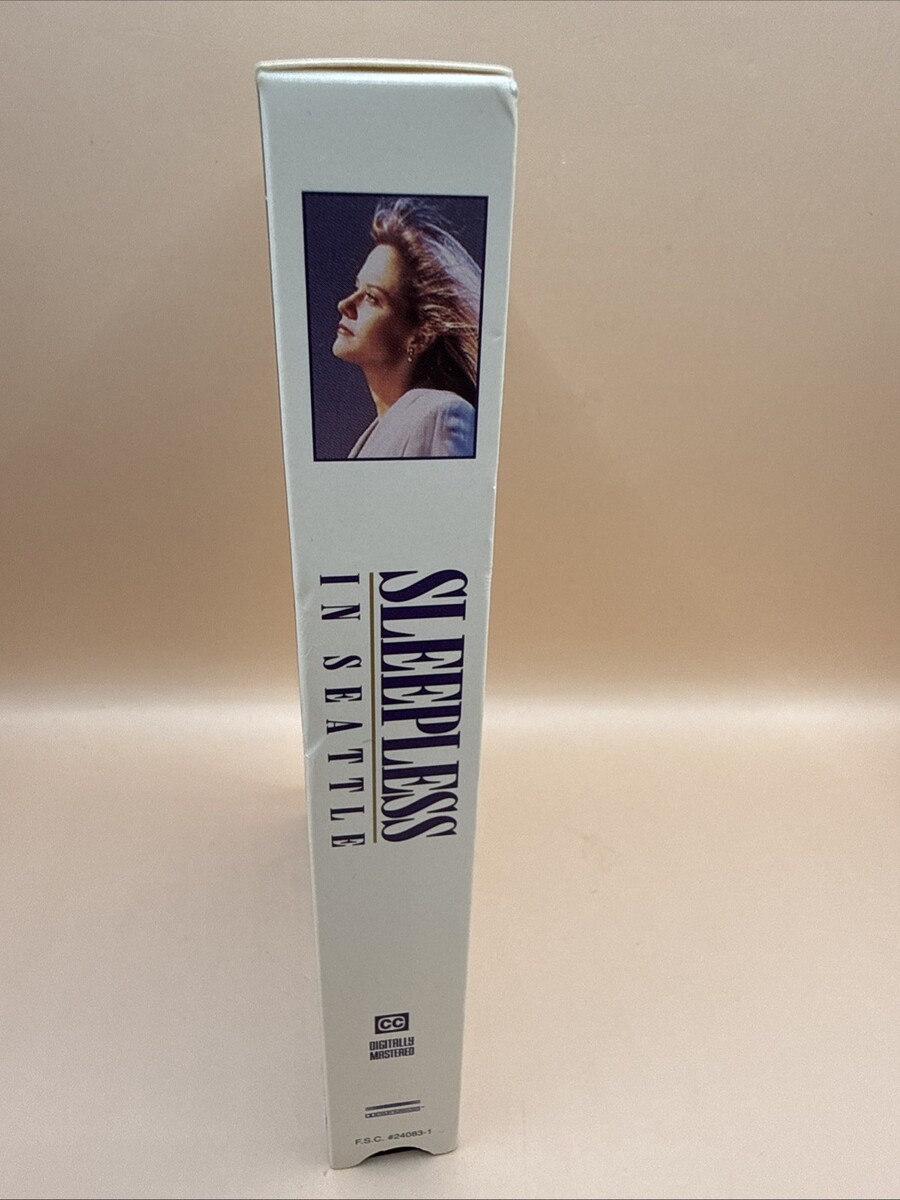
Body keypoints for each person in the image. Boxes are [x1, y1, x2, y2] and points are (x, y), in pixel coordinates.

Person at [332, 198, 481, 459]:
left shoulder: (441, 414)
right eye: (357, 288)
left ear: (420, 336)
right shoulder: (379, 430)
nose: (345, 304)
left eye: (372, 298)